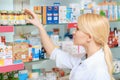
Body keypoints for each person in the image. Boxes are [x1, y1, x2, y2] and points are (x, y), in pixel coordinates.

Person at [24, 9, 114, 80]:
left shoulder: (99, 72)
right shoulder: (84, 58)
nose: (73, 32)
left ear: (89, 37)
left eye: (77, 29)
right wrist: (40, 26)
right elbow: (53, 52)